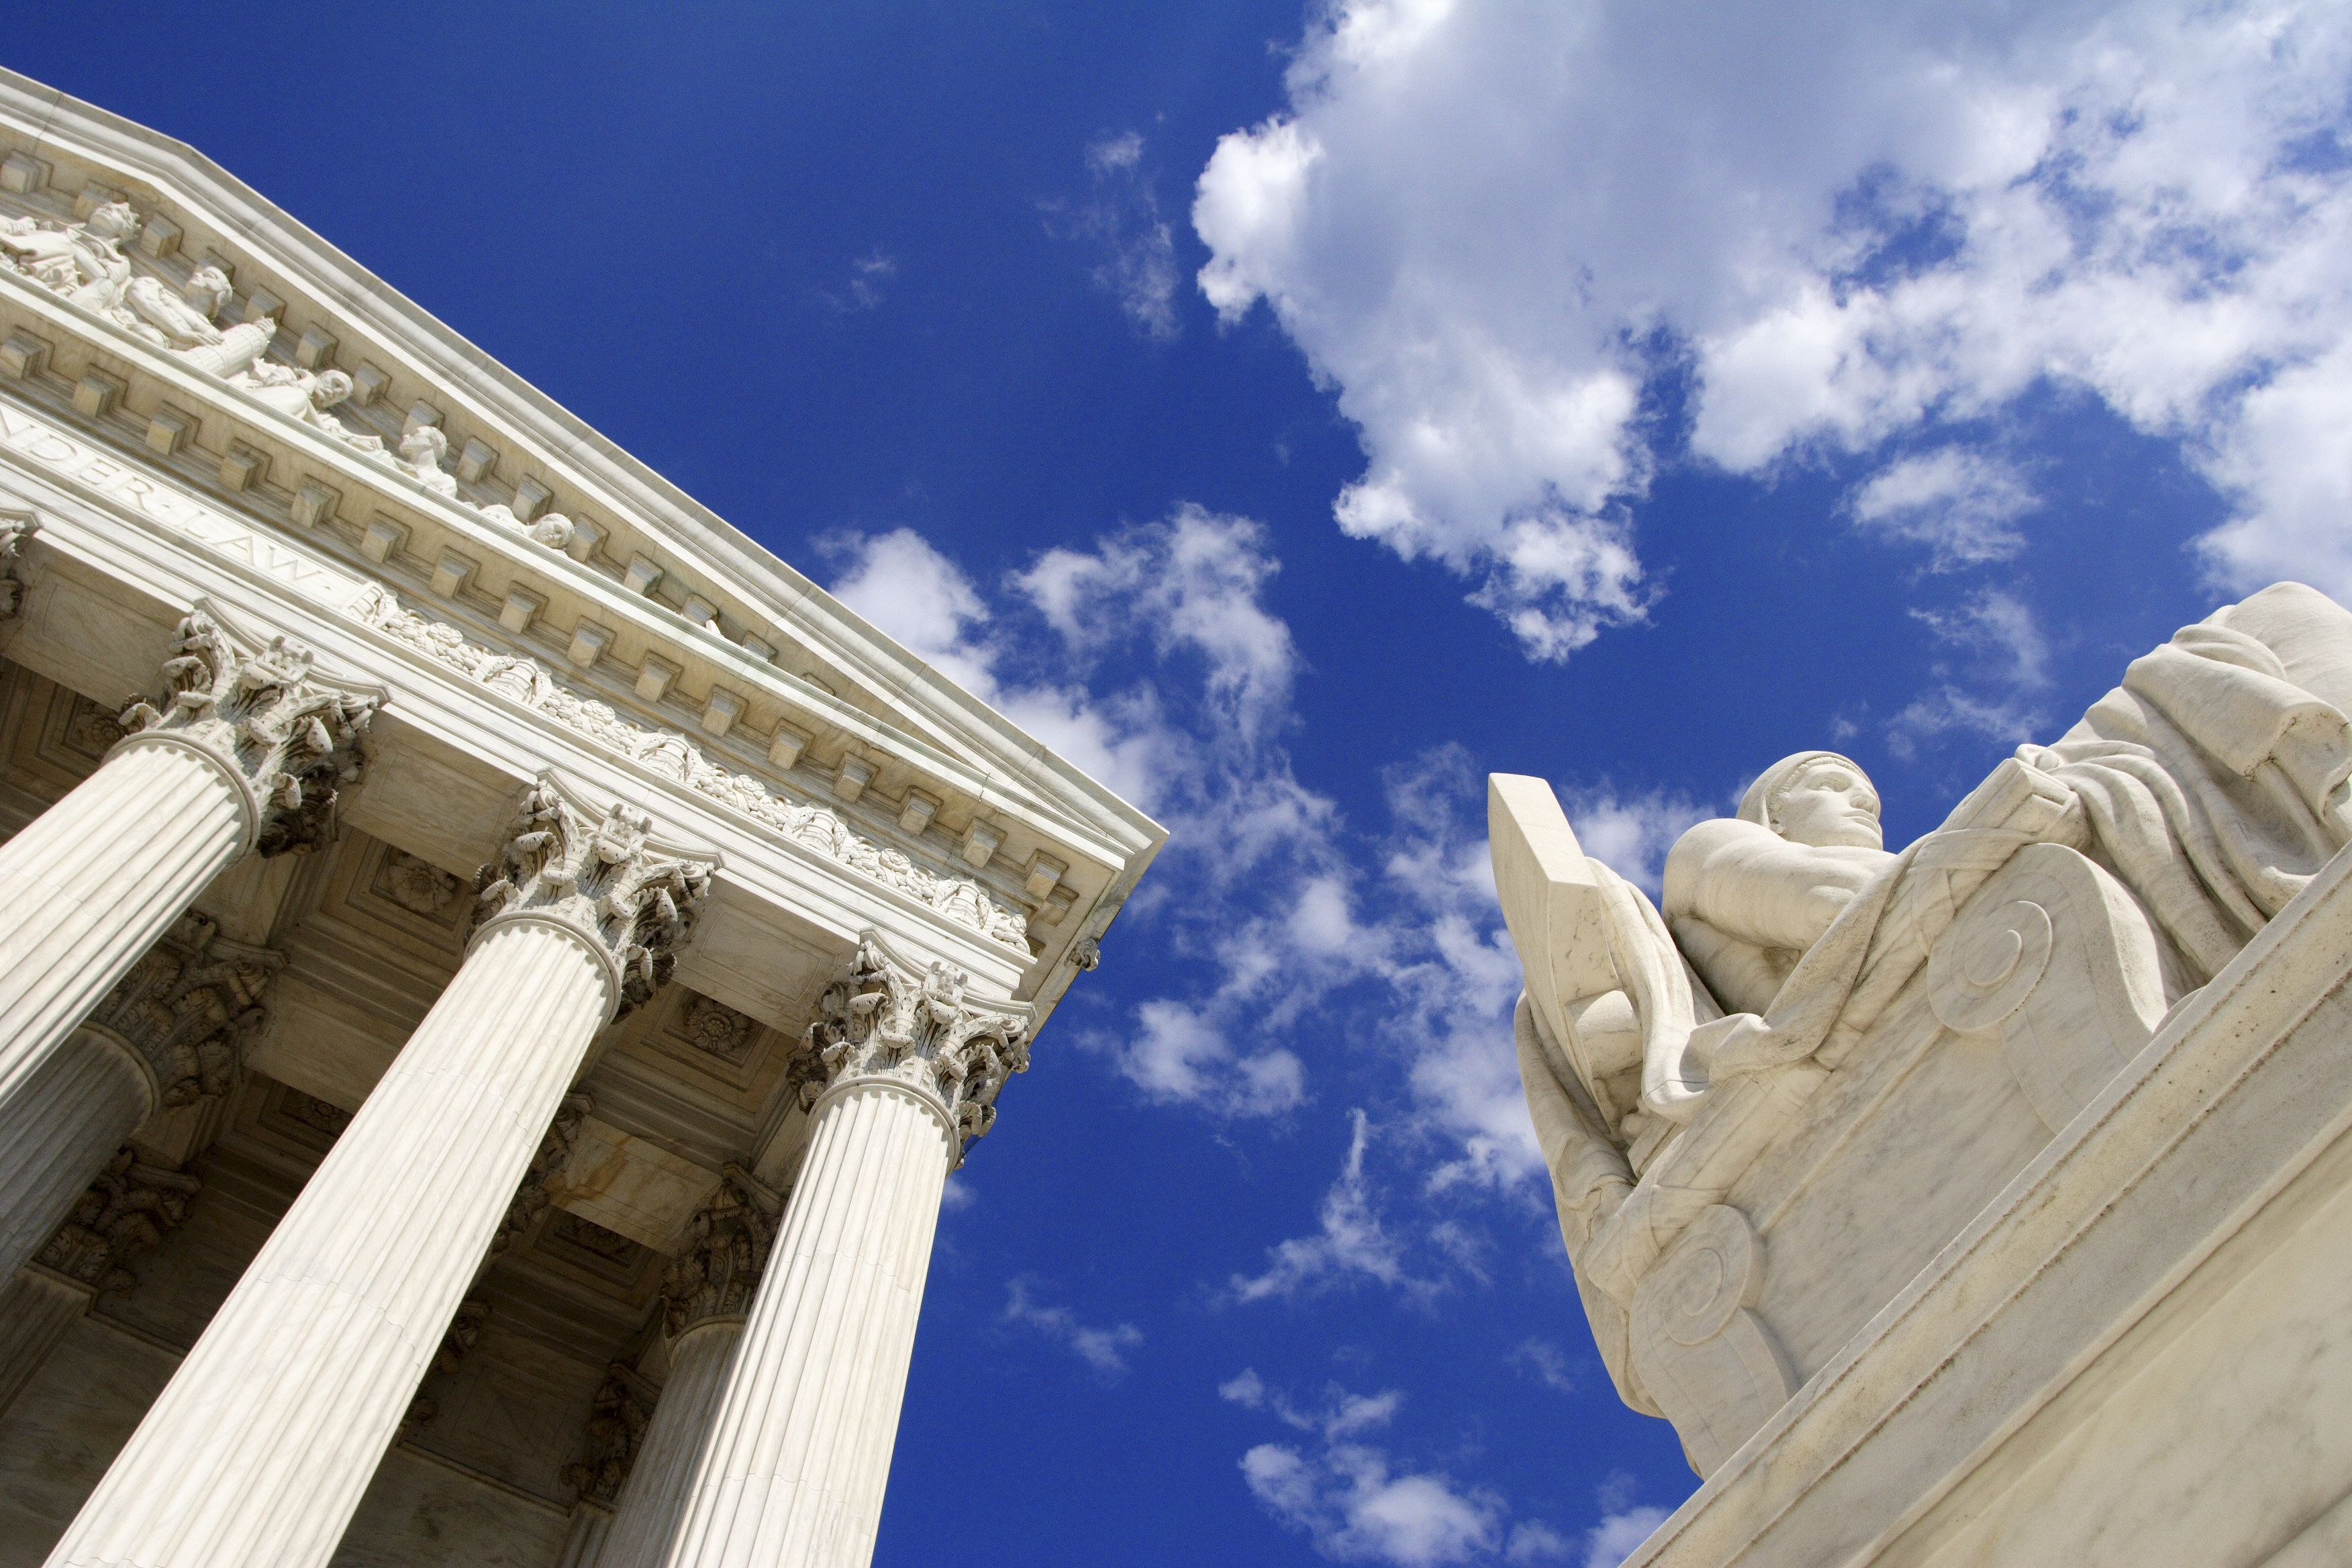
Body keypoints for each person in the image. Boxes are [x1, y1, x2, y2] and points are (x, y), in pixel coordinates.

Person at [1663, 751, 1898, 1016]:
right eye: (1831, 785)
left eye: (1875, 810)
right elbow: (1830, 899)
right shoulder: (1709, 843)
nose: (1866, 802)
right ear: (1774, 814)